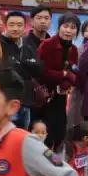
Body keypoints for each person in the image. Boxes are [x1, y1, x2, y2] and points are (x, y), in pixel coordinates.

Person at [37, 14, 81, 150]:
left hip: (61, 96)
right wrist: (63, 74)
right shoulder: (47, 45)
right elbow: (41, 71)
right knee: (45, 134)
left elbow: (73, 72)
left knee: (60, 132)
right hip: (44, 97)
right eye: (65, 26)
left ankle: (54, 165)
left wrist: (68, 81)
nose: (68, 30)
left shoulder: (73, 50)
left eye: (73, 28)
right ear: (59, 27)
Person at [0, 10, 42, 131]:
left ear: (25, 27)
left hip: (26, 101)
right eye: (11, 25)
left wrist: (20, 65)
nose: (15, 28)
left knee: (22, 137)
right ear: (5, 25)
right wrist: (25, 65)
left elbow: (38, 69)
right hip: (7, 101)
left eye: (19, 25)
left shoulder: (28, 46)